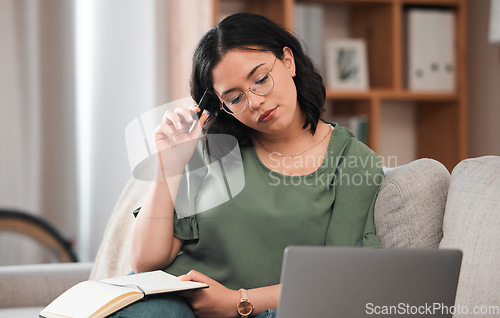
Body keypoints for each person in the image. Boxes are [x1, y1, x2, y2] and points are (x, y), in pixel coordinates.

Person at [111, 12, 384, 318]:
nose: (254, 101)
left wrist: (236, 301)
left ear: (288, 61)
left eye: (260, 79)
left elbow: (339, 281)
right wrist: (169, 165)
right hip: (175, 303)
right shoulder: (209, 149)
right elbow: (145, 262)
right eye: (234, 97)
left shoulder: (353, 161)